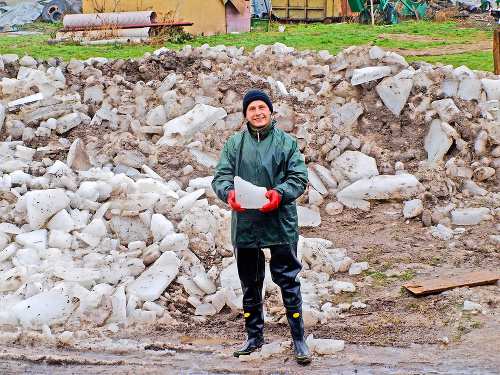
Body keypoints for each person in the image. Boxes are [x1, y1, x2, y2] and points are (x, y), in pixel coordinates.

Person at [211, 89, 311, 364]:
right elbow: (220, 177)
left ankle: (298, 339)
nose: (257, 112)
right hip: (245, 224)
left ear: (270, 111)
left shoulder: (286, 143)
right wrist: (227, 192)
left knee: (288, 281)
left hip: (279, 222)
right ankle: (254, 337)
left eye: (261, 107)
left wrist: (279, 194)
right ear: (245, 114)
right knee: (250, 284)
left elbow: (299, 177)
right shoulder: (234, 144)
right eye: (252, 108)